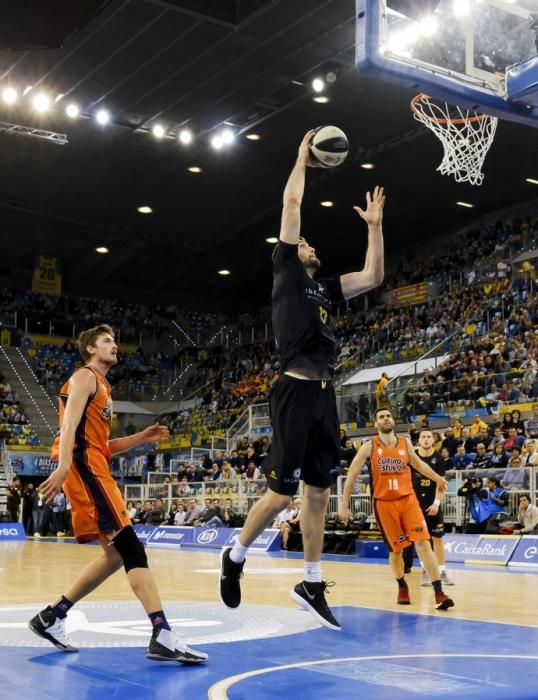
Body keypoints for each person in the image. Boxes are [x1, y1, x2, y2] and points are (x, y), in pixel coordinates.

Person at [218, 130, 385, 631]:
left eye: (310, 243)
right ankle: (236, 553)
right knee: (280, 497)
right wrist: (300, 159)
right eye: (303, 241)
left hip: (324, 394)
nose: (308, 244)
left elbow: (374, 276)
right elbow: (292, 202)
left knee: (317, 493)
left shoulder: (327, 289)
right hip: (292, 390)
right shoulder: (288, 272)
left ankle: (311, 582)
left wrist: (375, 227)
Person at [28, 324, 207, 664]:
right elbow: (68, 428)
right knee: (130, 546)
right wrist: (65, 464)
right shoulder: (85, 377)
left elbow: (101, 446)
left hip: (91, 465)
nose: (115, 346)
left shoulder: (104, 388)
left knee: (114, 555)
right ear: (91, 349)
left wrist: (141, 437)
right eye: (107, 341)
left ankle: (51, 617)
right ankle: (162, 633)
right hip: (84, 468)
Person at [339, 408, 454, 611]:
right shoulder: (368, 447)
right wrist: (344, 505)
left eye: (388, 416)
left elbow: (418, 465)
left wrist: (438, 478)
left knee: (423, 544)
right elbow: (352, 476)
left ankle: (439, 593)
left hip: (408, 500)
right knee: (397, 550)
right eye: (381, 417)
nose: (386, 419)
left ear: (393, 420)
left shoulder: (405, 443)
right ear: (376, 424)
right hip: (384, 504)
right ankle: (402, 585)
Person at [402, 429, 454, 586]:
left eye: (428, 437)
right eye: (423, 437)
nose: (425, 439)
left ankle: (442, 571)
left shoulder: (438, 459)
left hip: (433, 505)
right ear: (419, 440)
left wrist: (436, 504)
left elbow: (441, 484)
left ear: (434, 440)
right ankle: (425, 570)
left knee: (438, 538)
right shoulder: (412, 457)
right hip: (415, 506)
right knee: (420, 540)